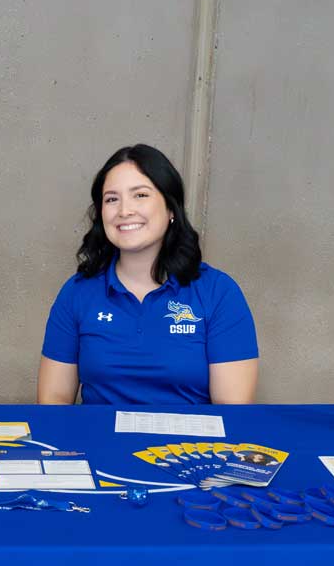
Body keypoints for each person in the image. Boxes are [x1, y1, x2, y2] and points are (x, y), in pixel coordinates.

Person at [38, 144, 258, 406]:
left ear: (171, 209)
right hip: (101, 445)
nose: (124, 211)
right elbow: (53, 402)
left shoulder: (218, 293)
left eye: (140, 195)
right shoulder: (77, 293)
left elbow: (232, 412)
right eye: (111, 199)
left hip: (186, 447)